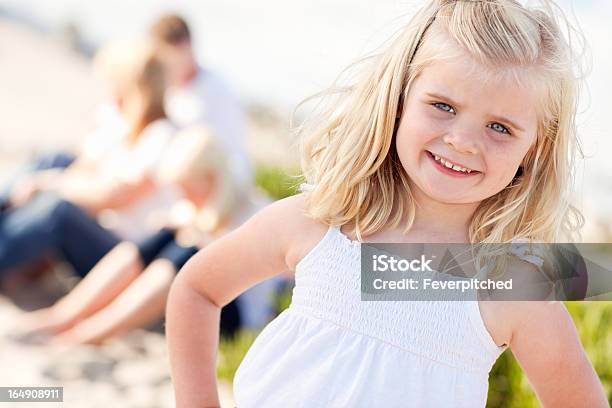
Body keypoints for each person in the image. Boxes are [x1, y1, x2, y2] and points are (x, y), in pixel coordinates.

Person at [165, 0, 608, 407]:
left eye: (499, 127)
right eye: (443, 106)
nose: (462, 141)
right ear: (398, 100)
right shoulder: (321, 223)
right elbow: (197, 291)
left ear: (534, 149)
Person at [15, 128, 280, 345]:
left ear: (209, 178)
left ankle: (88, 334)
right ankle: (64, 316)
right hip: (197, 296)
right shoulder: (205, 206)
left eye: (189, 190)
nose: (185, 197)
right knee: (166, 236)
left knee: (189, 252)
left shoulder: (255, 211)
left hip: (232, 316)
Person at [0, 40, 177, 278]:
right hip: (97, 225)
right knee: (55, 160)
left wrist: (48, 184)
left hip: (122, 251)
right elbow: (84, 167)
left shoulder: (161, 136)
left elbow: (114, 197)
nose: (110, 91)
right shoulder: (124, 125)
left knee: (59, 209)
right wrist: (47, 182)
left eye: (115, 84)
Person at [149, 14, 253, 189]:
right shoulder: (170, 91)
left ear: (187, 47)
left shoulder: (214, 90)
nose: (170, 67)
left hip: (222, 186)